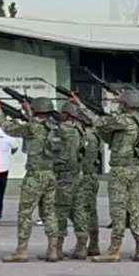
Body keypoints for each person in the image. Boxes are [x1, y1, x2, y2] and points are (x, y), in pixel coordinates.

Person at [74, 89, 139, 262]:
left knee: (118, 210)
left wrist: (80, 106)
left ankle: (114, 249)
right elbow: (112, 138)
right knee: (134, 209)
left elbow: (98, 122)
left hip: (120, 169)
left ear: (126, 104)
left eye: (121, 103)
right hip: (134, 168)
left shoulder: (123, 120)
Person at [0, 97, 60, 263]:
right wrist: (27, 110)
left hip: (35, 175)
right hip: (50, 174)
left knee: (25, 212)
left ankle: (21, 250)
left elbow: (9, 128)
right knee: (49, 212)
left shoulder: (32, 127)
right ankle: (53, 249)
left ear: (36, 110)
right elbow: (36, 123)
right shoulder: (54, 127)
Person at [43, 102, 84, 262]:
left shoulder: (62, 130)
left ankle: (56, 248)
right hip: (76, 175)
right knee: (78, 211)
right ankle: (82, 245)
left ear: (68, 115)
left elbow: (48, 144)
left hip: (63, 176)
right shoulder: (79, 130)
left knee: (58, 212)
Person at [67, 104, 102, 260]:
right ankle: (94, 244)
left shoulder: (81, 135)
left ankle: (81, 245)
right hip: (92, 176)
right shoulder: (96, 135)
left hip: (81, 177)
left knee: (79, 210)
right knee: (91, 211)